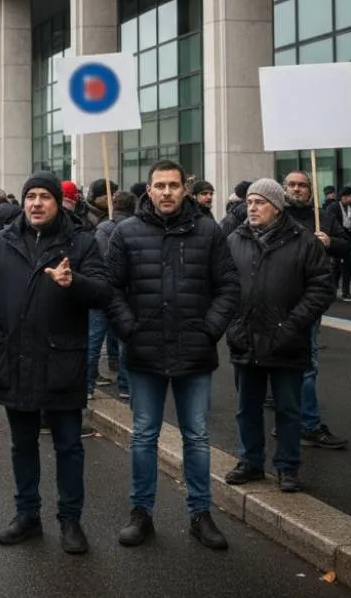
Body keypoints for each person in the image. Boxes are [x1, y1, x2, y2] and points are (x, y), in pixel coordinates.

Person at [0, 171, 111, 554]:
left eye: (44, 197)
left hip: (61, 362)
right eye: (30, 196)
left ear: (57, 202)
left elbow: (103, 293)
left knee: (68, 445)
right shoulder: (3, 241)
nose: (36, 203)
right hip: (14, 359)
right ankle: (27, 516)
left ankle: (70, 519)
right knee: (23, 444)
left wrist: (76, 283)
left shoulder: (80, 242)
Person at [106, 160, 240, 550]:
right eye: (159, 185)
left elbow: (228, 286)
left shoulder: (208, 231)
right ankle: (141, 513)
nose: (166, 192)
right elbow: (110, 288)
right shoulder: (126, 232)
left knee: (196, 437)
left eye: (173, 185)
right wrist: (129, 329)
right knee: (144, 436)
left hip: (193, 351)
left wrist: (209, 328)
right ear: (148, 190)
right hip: (145, 351)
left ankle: (201, 514)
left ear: (185, 189)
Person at [223, 179, 335, 493]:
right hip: (246, 338)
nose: (252, 208)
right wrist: (234, 325)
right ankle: (251, 461)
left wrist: (292, 325)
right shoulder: (234, 239)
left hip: (288, 340)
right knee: (248, 406)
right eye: (249, 203)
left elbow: (322, 288)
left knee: (288, 408)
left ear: (276, 206)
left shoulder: (304, 241)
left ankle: (287, 467)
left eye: (259, 202)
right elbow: (224, 286)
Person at [281, 170, 351, 450]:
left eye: (302, 185)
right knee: (294, 366)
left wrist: (329, 242)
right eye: (292, 185)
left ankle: (297, 421)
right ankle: (305, 424)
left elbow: (346, 246)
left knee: (306, 365)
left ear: (311, 190)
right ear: (284, 189)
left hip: (311, 301)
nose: (297, 189)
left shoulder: (324, 216)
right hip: (280, 301)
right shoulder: (277, 215)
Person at [90, 190, 136, 400]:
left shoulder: (103, 229)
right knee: (125, 339)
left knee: (94, 339)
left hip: (102, 290)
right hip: (126, 291)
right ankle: (125, 385)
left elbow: (98, 259)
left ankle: (87, 385)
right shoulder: (135, 228)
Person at [323, 186, 351, 301]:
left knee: (348, 265)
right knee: (336, 266)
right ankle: (331, 291)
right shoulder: (333, 207)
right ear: (344, 196)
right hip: (336, 238)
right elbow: (328, 222)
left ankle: (346, 292)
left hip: (348, 237)